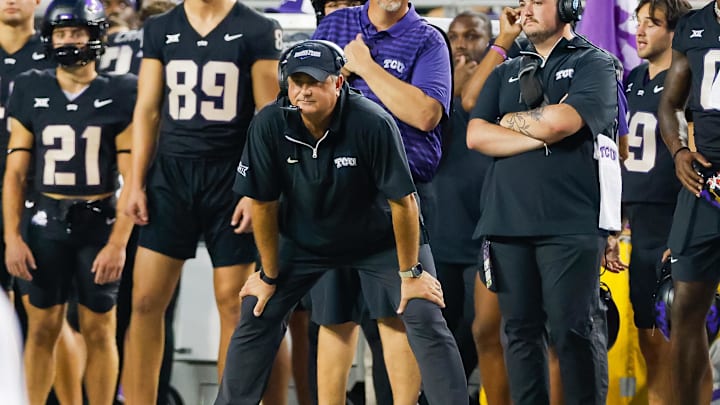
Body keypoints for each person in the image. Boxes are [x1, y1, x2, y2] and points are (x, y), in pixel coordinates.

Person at [215, 40, 466, 405]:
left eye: (314, 81)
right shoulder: (269, 122)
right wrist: (269, 275)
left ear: (337, 83)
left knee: (423, 310)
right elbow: (264, 205)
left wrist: (411, 275)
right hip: (304, 241)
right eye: (296, 81)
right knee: (257, 308)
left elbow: (403, 202)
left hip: (379, 240)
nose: (304, 90)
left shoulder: (372, 122)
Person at [121, 0, 287, 403]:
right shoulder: (161, 28)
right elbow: (147, 110)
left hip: (230, 176)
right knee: (144, 302)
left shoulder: (257, 27)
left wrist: (258, 188)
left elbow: (267, 114)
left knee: (234, 305)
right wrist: (135, 182)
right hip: (172, 176)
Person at [466, 0, 618, 403]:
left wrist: (509, 122)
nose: (526, 9)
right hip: (507, 222)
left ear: (569, 6)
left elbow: (561, 123)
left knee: (573, 332)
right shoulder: (505, 70)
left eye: (538, 1)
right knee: (519, 333)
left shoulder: (595, 64)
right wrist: (540, 128)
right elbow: (476, 135)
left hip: (571, 224)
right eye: (523, 1)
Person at [310, 1, 451, 402]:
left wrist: (366, 67)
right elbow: (301, 99)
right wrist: (338, 76)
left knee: (399, 313)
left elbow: (425, 114)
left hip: (397, 196)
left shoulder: (427, 39)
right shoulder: (336, 24)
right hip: (333, 189)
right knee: (333, 316)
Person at [3, 0, 137, 403]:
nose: (69, 40)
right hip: (45, 221)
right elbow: (15, 174)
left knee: (100, 329)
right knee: (42, 328)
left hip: (99, 222)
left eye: (77, 32)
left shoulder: (122, 89)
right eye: (61, 33)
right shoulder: (31, 84)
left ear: (96, 36)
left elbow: (132, 179)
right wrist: (11, 236)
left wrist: (118, 243)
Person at [622, 1, 691, 404]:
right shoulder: (630, 78)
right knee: (649, 337)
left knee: (680, 344)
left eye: (654, 22)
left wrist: (684, 232)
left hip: (673, 221)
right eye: (639, 20)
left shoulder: (687, 80)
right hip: (639, 227)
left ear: (675, 30)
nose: (641, 30)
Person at [658, 0, 720, 403]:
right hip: (706, 186)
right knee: (683, 310)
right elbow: (670, 103)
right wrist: (679, 150)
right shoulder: (695, 26)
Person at [429, 9, 491, 388]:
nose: (462, 46)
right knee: (440, 327)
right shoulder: (434, 90)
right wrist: (453, 93)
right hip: (442, 227)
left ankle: (453, 390)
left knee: (477, 326)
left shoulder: (504, 84)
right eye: (454, 37)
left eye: (472, 36)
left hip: (484, 229)